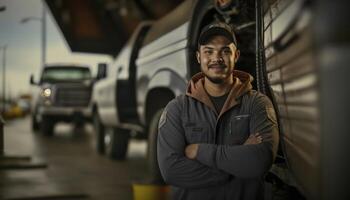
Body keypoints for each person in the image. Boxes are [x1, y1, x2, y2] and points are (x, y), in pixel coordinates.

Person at [157, 21, 279, 200]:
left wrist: (199, 151)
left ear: (236, 55)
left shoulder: (257, 104)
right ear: (199, 57)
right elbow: (171, 171)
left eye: (225, 51)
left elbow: (260, 161)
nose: (217, 58)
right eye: (209, 51)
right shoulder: (177, 108)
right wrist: (234, 165)